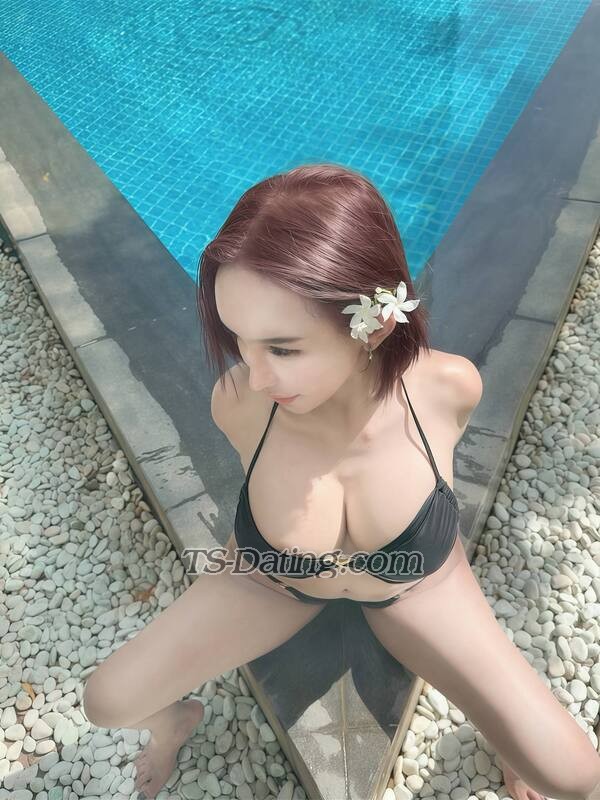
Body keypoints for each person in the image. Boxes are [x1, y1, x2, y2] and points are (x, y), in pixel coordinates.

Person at [82, 163, 600, 800]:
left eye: (283, 348)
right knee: (107, 700)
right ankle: (174, 723)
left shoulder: (447, 388)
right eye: (239, 339)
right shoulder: (240, 405)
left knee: (576, 777)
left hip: (418, 590)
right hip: (272, 584)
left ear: (374, 325)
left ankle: (502, 730)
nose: (255, 375)